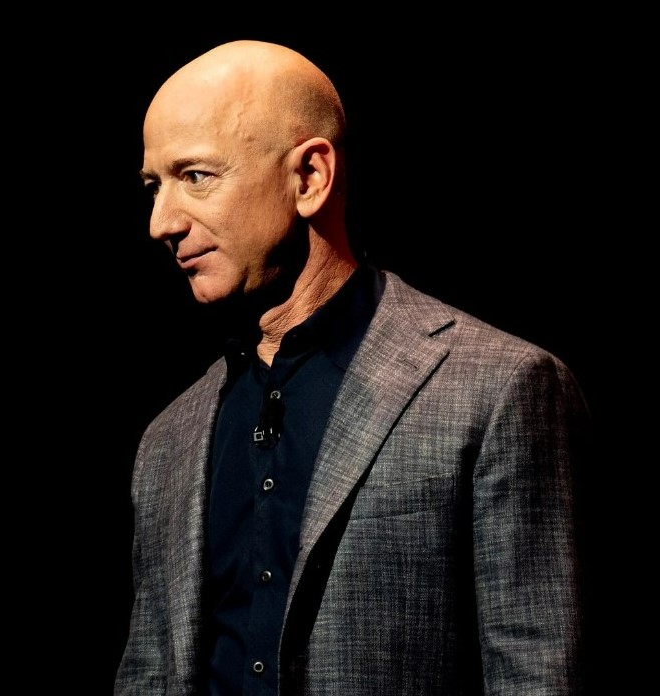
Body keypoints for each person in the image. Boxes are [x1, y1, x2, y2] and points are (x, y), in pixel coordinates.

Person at [117, 39, 590, 695]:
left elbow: (538, 673)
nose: (160, 222)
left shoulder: (496, 390)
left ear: (309, 177)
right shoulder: (167, 441)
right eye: (152, 186)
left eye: (195, 176)